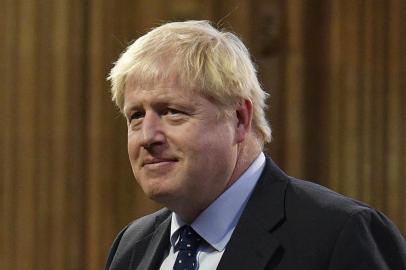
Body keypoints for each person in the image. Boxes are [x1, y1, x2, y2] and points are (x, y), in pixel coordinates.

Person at [105, 20, 406, 270]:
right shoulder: (132, 247)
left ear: (239, 119)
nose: (147, 136)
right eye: (136, 116)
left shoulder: (339, 234)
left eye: (172, 112)